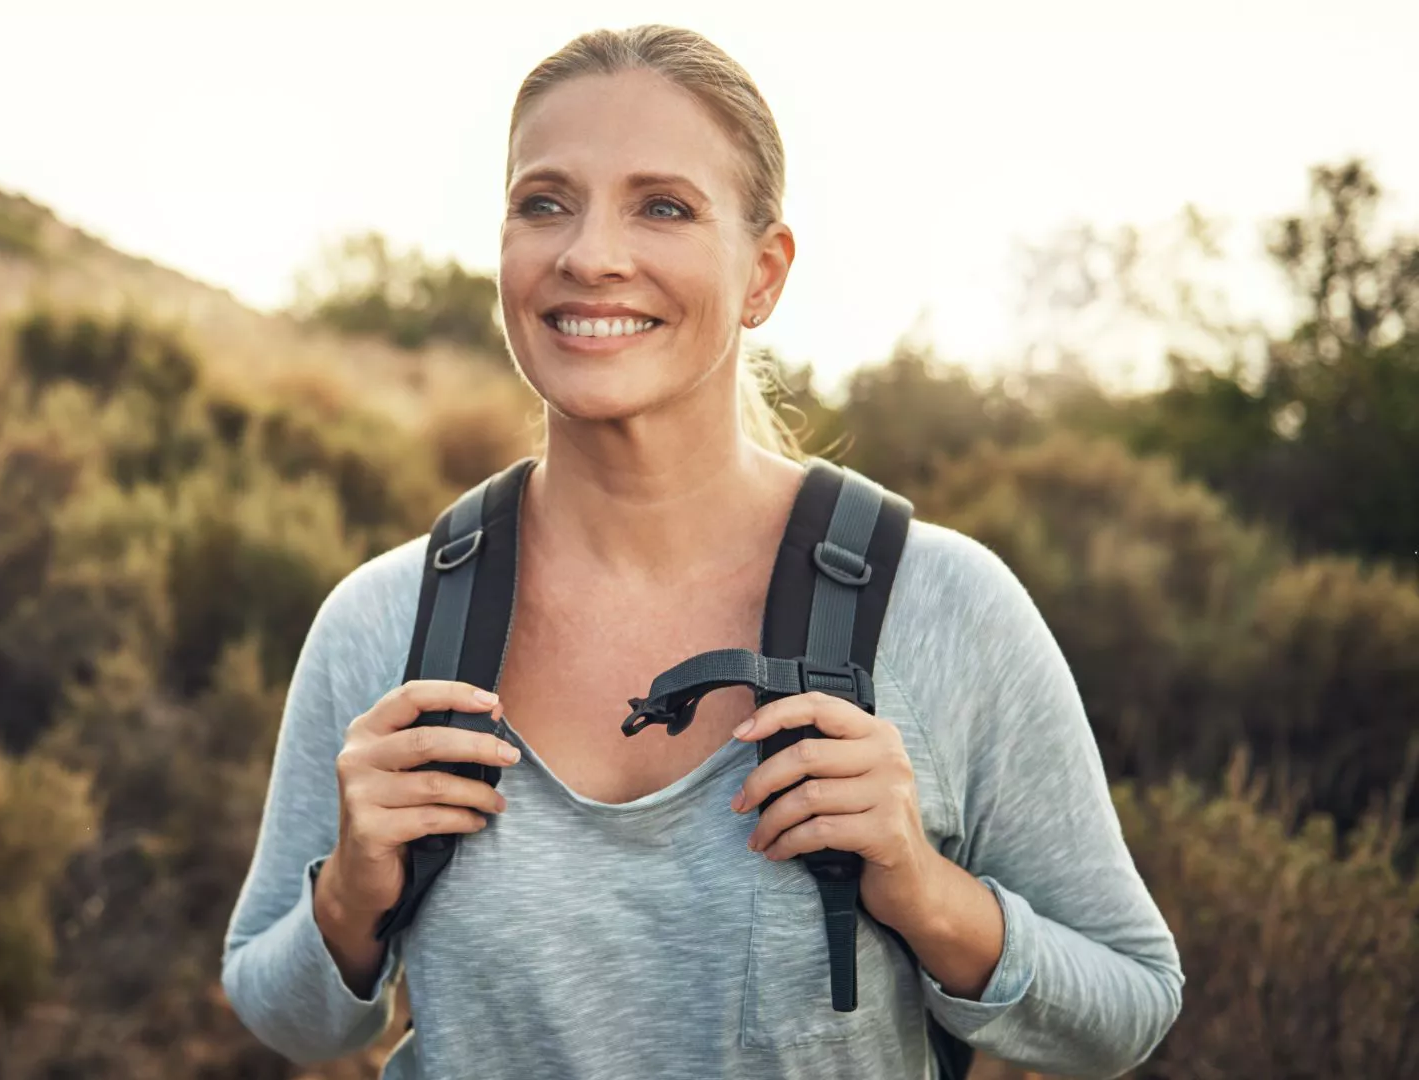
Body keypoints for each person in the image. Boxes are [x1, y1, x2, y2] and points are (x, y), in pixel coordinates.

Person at [222, 23, 1182, 1080]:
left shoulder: (944, 607)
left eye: (663, 207)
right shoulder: (385, 622)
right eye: (544, 203)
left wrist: (923, 891)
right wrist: (352, 889)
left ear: (764, 274)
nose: (589, 254)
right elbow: (287, 1014)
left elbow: (1129, 1004)